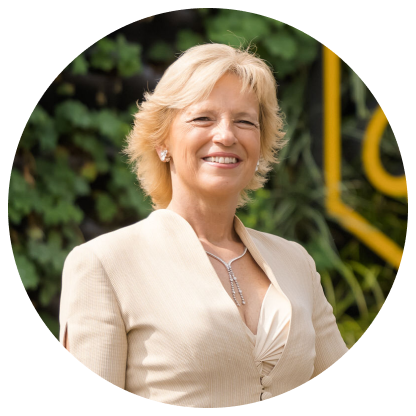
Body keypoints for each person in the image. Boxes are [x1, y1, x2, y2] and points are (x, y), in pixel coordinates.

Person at [59, 43, 348, 407]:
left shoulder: (296, 262)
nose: (226, 135)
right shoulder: (103, 264)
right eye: (203, 118)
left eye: (244, 121)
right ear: (162, 140)